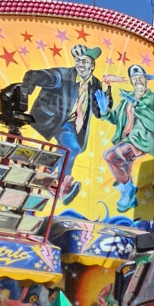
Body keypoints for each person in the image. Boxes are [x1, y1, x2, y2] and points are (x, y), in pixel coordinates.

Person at [22, 44, 111, 203]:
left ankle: (48, 172)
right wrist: (25, 90)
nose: (80, 64)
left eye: (84, 61)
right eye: (78, 61)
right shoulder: (63, 75)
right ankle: (62, 185)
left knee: (67, 150)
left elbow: (98, 112)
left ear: (92, 66)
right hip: (57, 121)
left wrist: (105, 104)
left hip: (75, 127)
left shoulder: (95, 84)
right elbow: (38, 75)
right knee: (72, 148)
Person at [100, 64, 154, 212]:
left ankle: (127, 188)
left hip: (141, 142)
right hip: (125, 140)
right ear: (131, 82)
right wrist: (105, 111)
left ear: (146, 80)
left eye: (140, 78)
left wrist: (139, 107)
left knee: (110, 156)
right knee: (124, 167)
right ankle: (130, 198)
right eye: (134, 79)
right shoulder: (126, 100)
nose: (138, 82)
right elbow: (116, 119)